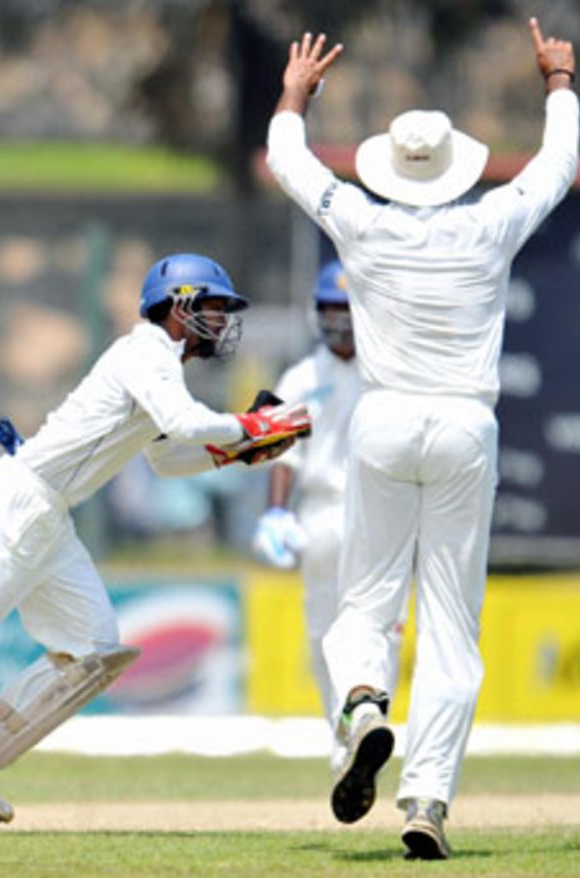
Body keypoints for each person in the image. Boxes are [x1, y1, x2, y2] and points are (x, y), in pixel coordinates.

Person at [0, 253, 312, 836]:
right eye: (214, 308)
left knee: (92, 650)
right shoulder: (144, 351)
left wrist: (238, 449)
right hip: (19, 502)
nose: (223, 322)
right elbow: (186, 421)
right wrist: (249, 430)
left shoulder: (162, 365)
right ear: (179, 306)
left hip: (49, 516)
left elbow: (170, 456)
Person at [266, 21, 577, 860]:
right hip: (466, 426)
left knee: (364, 601)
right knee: (450, 624)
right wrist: (558, 82)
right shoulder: (490, 225)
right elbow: (557, 167)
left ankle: (364, 699)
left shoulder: (363, 224)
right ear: (455, 169)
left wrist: (297, 92)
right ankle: (428, 796)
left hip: (384, 416)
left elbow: (289, 163)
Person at [250, 261, 403, 772]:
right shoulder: (301, 377)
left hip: (380, 513)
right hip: (320, 515)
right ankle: (344, 742)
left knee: (381, 630)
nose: (339, 319)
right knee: (323, 635)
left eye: (347, 308)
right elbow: (284, 453)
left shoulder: (389, 369)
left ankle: (371, 722)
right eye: (330, 309)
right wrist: (275, 512)